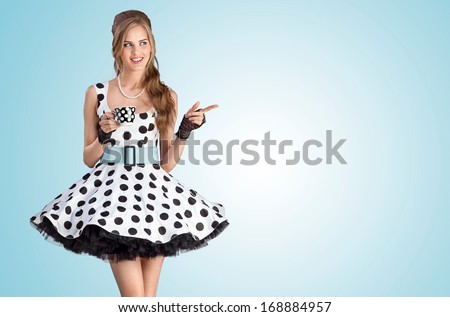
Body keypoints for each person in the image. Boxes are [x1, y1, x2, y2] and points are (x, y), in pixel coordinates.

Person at [29, 9, 229, 297]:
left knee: (148, 299)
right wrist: (103, 135)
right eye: (129, 44)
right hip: (112, 198)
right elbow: (88, 158)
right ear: (117, 48)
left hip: (155, 198)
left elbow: (166, 164)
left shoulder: (166, 95)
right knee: (134, 300)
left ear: (152, 45)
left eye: (143, 42)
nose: (137, 51)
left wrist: (185, 130)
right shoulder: (95, 93)